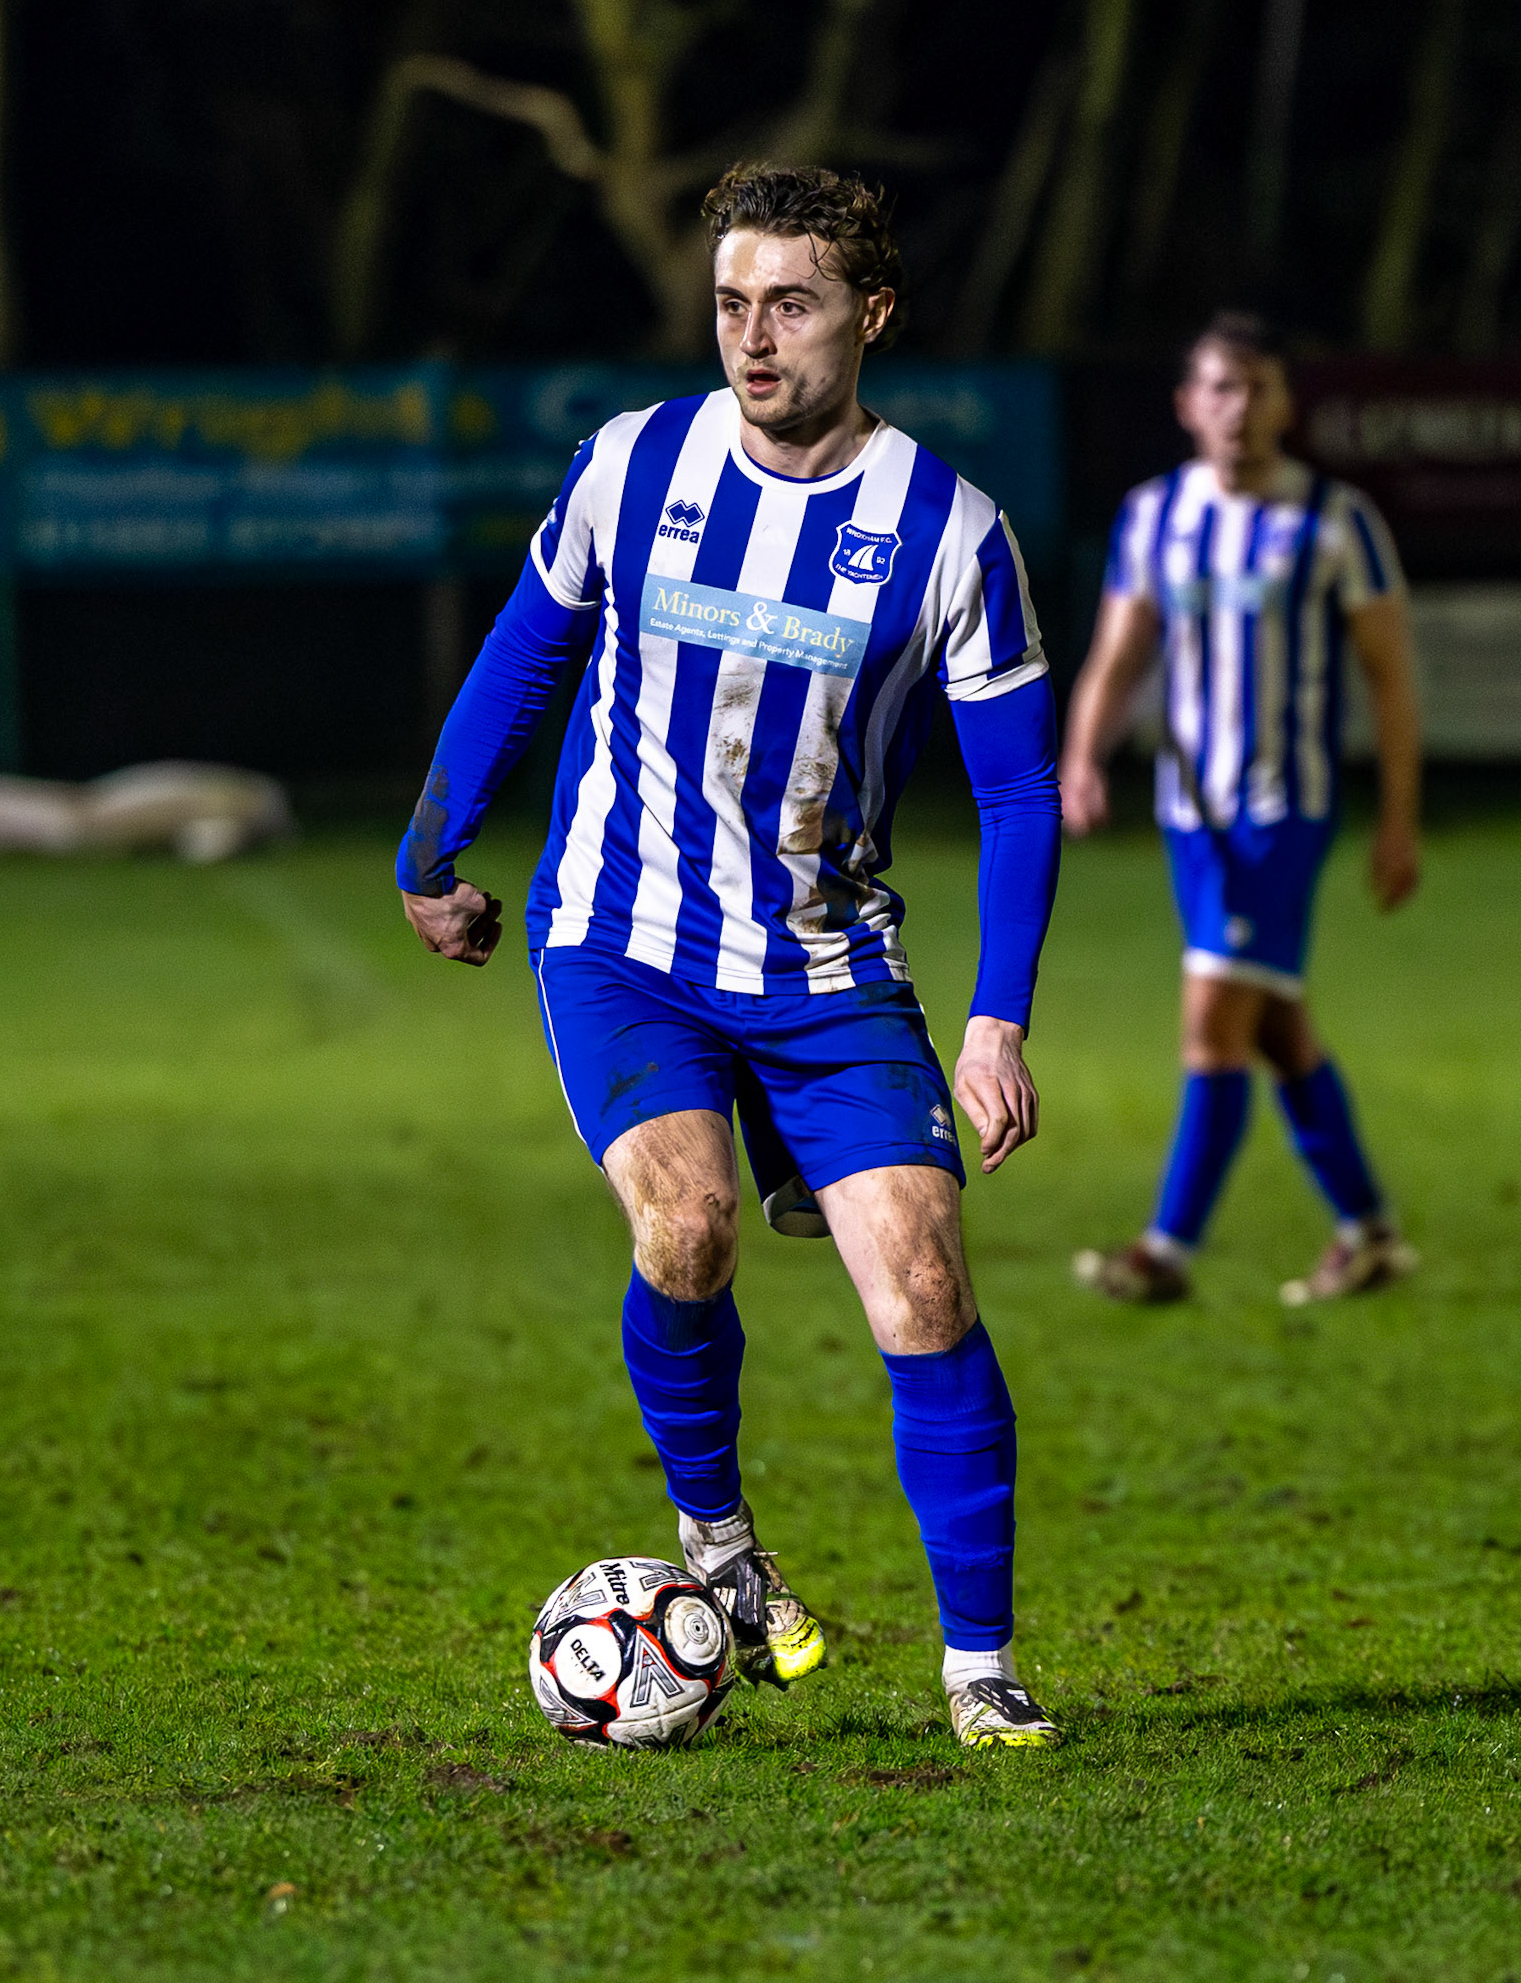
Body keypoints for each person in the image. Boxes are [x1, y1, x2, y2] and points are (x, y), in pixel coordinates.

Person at [396, 164, 1064, 1750]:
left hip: (829, 968)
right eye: (730, 305)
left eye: (792, 305)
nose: (753, 339)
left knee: (925, 1284)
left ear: (872, 314)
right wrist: (432, 849)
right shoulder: (636, 464)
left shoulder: (952, 534)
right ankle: (719, 1543)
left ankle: (978, 1668)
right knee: (687, 1226)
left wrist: (996, 1021)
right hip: (624, 937)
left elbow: (1020, 793)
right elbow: (530, 648)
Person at [1061, 311, 1422, 1307]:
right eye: (1221, 387)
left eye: (1259, 386)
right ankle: (1370, 1232)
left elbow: (1391, 677)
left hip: (1281, 810)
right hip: (1192, 817)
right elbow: (1119, 651)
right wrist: (1083, 756)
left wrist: (1399, 817)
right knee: (1276, 1029)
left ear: (1286, 404)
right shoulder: (1154, 515)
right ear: (1188, 403)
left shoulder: (1336, 520)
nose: (1239, 407)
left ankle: (1165, 1250)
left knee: (1214, 1022)